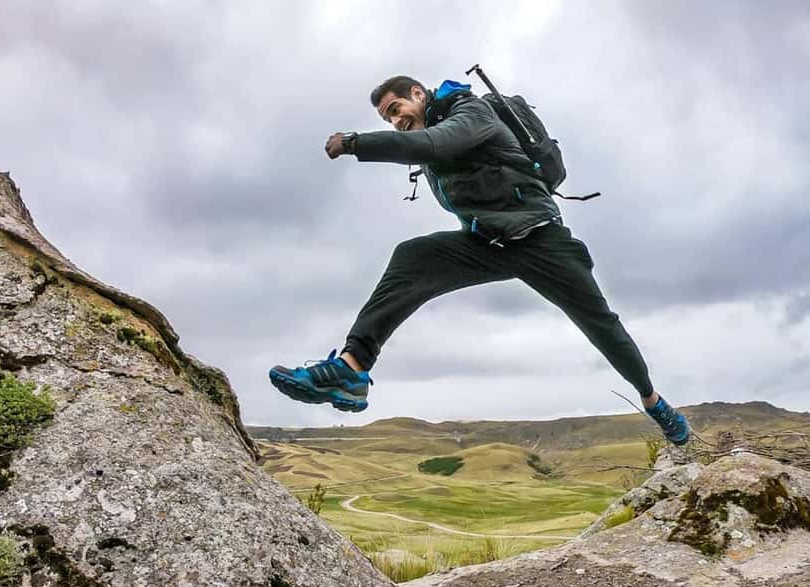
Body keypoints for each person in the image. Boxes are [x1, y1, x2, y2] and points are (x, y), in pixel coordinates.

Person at [269, 75, 690, 445]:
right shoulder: (429, 135)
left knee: (601, 325)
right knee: (413, 257)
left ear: (418, 93)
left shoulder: (472, 112)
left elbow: (436, 143)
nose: (395, 121)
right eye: (387, 119)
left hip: (540, 238)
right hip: (487, 243)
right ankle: (352, 370)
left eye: (396, 109)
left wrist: (357, 142)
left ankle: (654, 402)